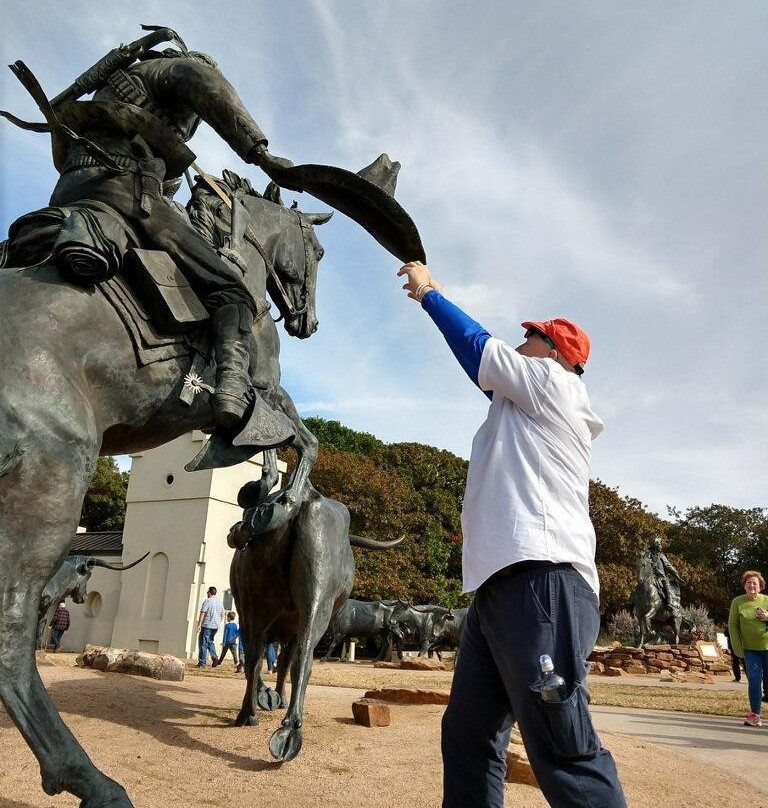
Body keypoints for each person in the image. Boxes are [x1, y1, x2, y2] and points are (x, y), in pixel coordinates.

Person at [397, 261, 626, 808]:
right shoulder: (522, 404)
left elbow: (479, 348)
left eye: (531, 336)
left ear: (555, 353)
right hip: (500, 590)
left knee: (562, 747)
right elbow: (483, 365)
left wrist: (430, 294)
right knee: (469, 735)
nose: (521, 341)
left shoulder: (555, 386)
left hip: (543, 581)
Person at [5, 30, 295, 433]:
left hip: (70, 188)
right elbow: (213, 92)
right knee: (231, 288)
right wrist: (261, 154)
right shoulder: (181, 70)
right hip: (125, 191)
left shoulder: (116, 81)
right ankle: (232, 385)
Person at [727, 570, 768, 727]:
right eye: (749, 583)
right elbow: (733, 625)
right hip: (750, 650)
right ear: (744, 585)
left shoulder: (767, 600)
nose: (752, 585)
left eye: (755, 583)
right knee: (755, 680)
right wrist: (737, 647)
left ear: (761, 586)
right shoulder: (738, 602)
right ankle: (755, 715)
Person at [196, 586, 225, 668]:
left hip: (207, 625)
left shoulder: (207, 601)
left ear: (210, 592)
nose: (207, 593)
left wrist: (199, 624)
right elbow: (223, 614)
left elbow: (203, 613)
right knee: (210, 641)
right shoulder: (220, 602)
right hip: (215, 626)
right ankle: (214, 657)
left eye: (207, 592)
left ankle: (202, 663)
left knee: (203, 643)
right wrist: (219, 622)